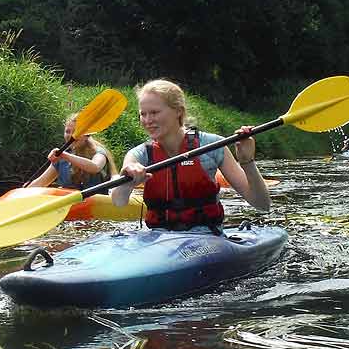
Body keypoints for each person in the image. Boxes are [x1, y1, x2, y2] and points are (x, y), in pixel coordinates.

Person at [111, 79, 270, 233]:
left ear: (178, 111)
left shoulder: (212, 145)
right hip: (157, 238)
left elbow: (262, 204)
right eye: (143, 114)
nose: (147, 120)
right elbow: (118, 202)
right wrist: (128, 182)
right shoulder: (139, 154)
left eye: (154, 112)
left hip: (205, 236)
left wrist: (247, 162)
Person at [25, 112, 119, 193]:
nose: (70, 135)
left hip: (96, 206)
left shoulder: (98, 152)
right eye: (67, 131)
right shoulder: (63, 157)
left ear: (87, 135)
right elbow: (41, 182)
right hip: (71, 206)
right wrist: (23, 192)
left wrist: (64, 155)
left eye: (75, 131)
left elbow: (95, 167)